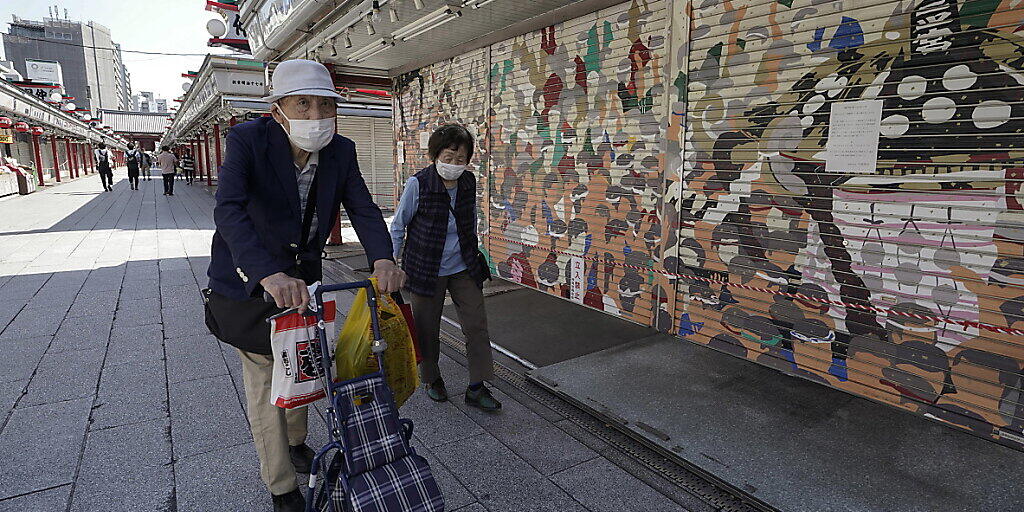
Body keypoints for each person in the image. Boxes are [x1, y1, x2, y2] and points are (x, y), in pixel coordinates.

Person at [203, 59, 405, 512]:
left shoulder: (342, 149)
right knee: (264, 377)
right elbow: (229, 211)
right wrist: (266, 273)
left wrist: (383, 258)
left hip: (305, 279)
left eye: (326, 105)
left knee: (304, 360)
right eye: (303, 104)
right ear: (278, 110)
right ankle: (281, 486)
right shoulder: (247, 141)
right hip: (252, 281)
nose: (317, 116)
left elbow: (364, 207)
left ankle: (296, 442)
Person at [390, 124, 500, 412]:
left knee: (477, 326)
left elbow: (470, 218)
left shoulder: (468, 182)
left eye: (460, 160)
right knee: (427, 328)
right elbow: (399, 226)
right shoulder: (419, 184)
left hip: (463, 265)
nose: (454, 165)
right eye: (448, 158)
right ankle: (432, 379)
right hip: (425, 266)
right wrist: (390, 265)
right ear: (436, 156)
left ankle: (477, 386)